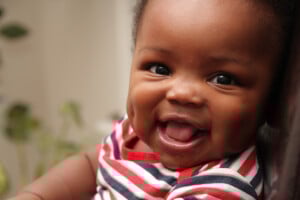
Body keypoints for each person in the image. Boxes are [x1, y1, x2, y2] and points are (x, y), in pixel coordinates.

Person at [10, 0, 295, 199]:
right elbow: (92, 163)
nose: (181, 93)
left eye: (222, 79)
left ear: (270, 104)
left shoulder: (222, 186)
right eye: (160, 69)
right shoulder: (133, 133)